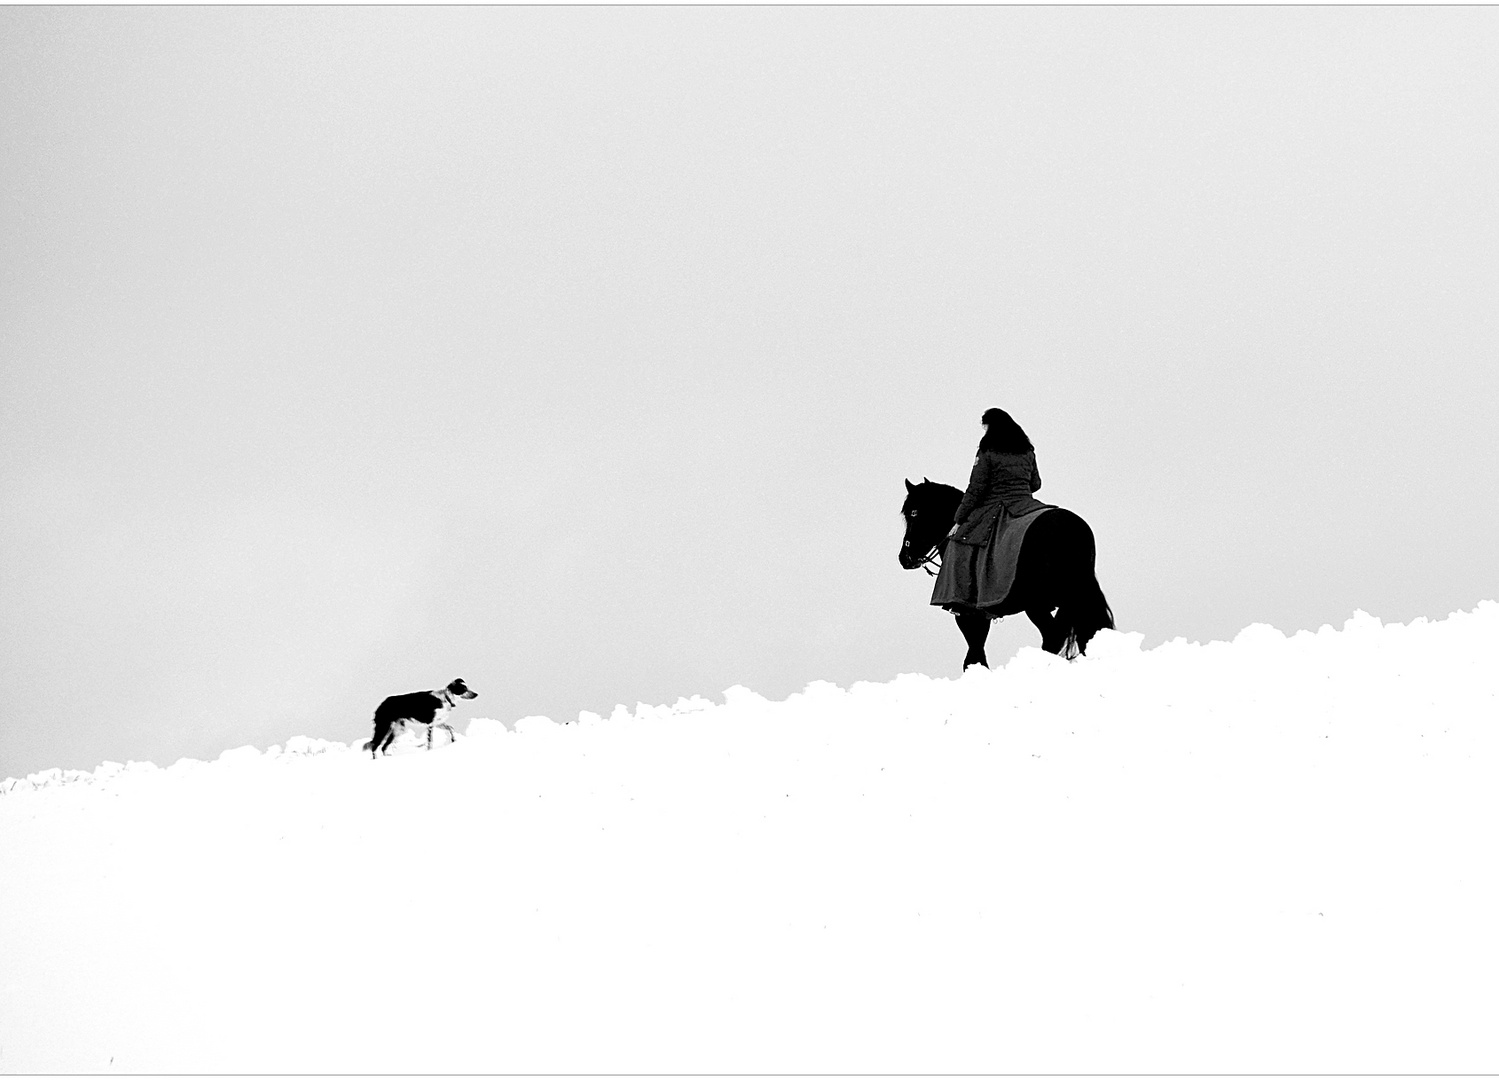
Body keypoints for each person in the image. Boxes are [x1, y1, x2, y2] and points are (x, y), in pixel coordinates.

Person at [929, 407, 1050, 614]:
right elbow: (1035, 484)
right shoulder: (1027, 450)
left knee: (960, 542)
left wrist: (959, 519)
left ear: (990, 426)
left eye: (985, 426)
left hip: (997, 506)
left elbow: (976, 489)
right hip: (1027, 504)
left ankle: (961, 600)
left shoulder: (987, 451)